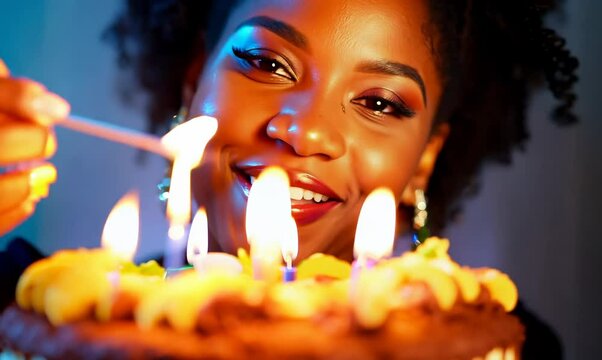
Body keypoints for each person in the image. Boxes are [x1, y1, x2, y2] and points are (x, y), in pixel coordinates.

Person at [0, 0, 577, 357]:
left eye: (379, 103)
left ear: (425, 158)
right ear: (193, 83)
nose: (305, 133)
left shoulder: (500, 347)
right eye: (269, 64)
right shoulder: (30, 312)